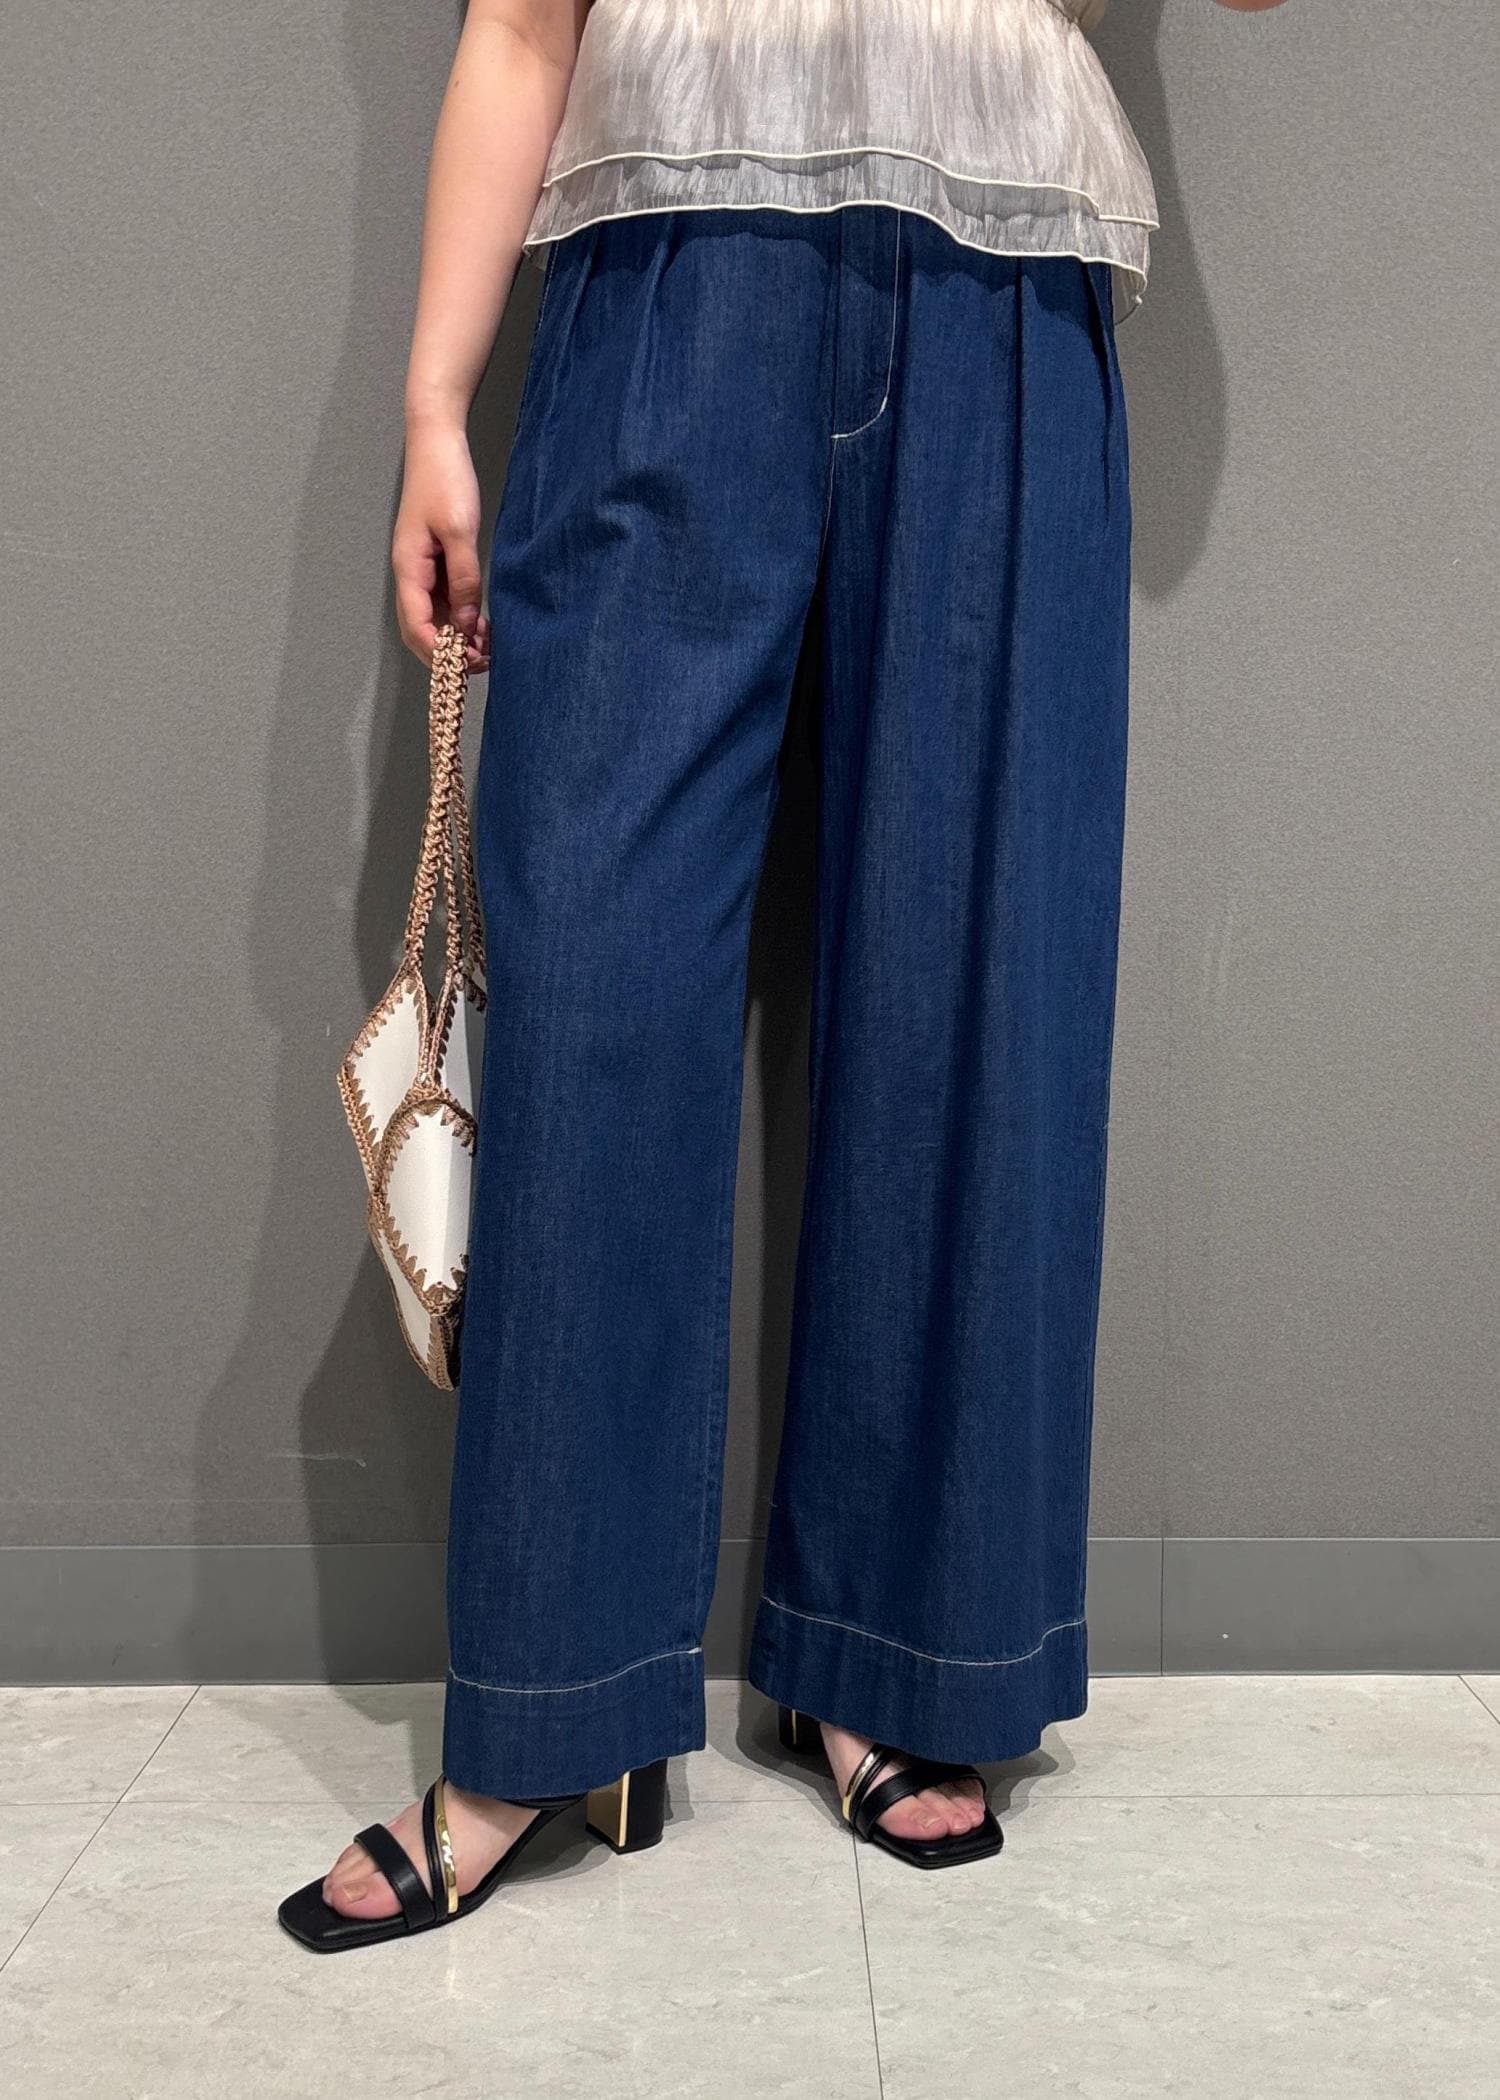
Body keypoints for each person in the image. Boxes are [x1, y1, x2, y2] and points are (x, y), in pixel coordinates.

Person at [280, 0, 1287, 1953]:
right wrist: (432, 404)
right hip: (664, 279)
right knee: (592, 982)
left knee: (975, 977)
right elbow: (522, 21)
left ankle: (905, 1652)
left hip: (1001, 275)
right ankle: (551, 1708)